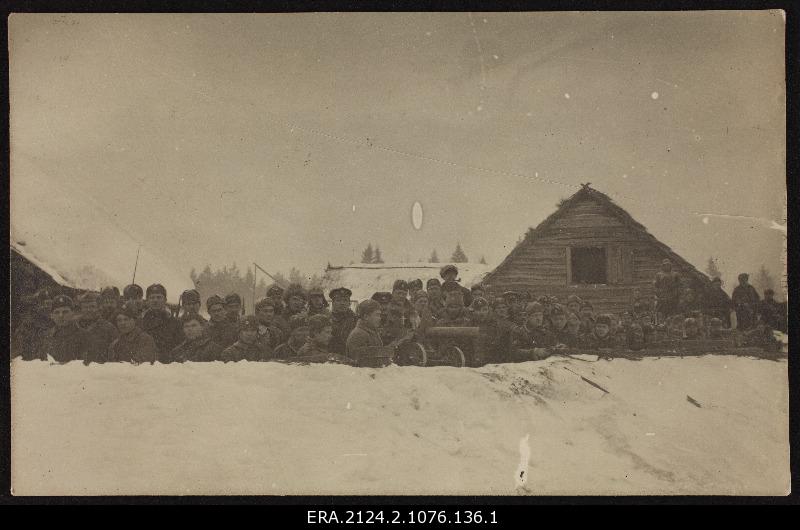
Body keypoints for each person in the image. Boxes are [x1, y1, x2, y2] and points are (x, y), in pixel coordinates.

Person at [346, 300, 411, 367]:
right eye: (377, 315)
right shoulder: (359, 334)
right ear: (366, 317)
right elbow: (360, 363)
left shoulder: (371, 332)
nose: (380, 318)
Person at [36, 295, 90, 363]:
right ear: (51, 316)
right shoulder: (46, 336)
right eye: (57, 312)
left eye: (65, 312)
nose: (61, 315)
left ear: (72, 313)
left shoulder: (84, 335)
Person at [140, 284, 184, 363]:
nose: (155, 300)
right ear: (147, 301)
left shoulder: (175, 323)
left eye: (159, 297)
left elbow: (180, 347)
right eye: (152, 297)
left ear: (165, 300)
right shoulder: (140, 322)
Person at [75, 291, 119, 364]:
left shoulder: (109, 328)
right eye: (85, 307)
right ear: (81, 309)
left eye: (92, 307)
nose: (88, 310)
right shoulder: (75, 326)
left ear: (99, 308)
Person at [472, 297, 516, 366]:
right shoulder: (470, 323)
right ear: (473, 311)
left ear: (489, 310)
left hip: (491, 362)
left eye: (484, 309)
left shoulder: (495, 324)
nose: (481, 313)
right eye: (478, 310)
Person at [328, 287, 357, 356]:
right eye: (338, 300)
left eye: (345, 300)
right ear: (333, 303)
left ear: (349, 303)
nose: (342, 303)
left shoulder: (355, 319)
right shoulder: (327, 319)